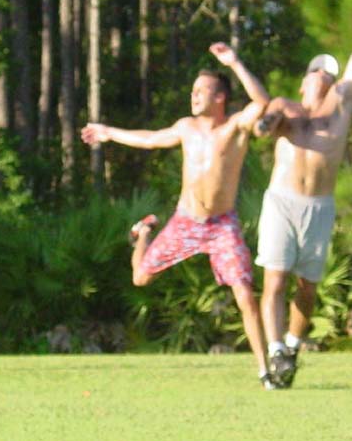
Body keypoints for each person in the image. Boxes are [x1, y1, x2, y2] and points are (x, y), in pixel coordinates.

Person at [81, 42, 276, 388]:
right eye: (193, 91)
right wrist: (109, 133)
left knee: (245, 293)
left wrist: (234, 62)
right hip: (186, 221)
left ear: (220, 97)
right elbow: (151, 139)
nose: (194, 96)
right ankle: (143, 234)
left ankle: (265, 371)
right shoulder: (187, 127)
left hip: (222, 225)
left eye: (202, 91)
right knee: (140, 278)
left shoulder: (235, 127)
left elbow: (262, 102)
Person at [255, 0, 352, 388]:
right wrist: (267, 122)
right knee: (275, 280)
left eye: (328, 72)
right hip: (281, 201)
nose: (322, 73)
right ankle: (275, 351)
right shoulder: (288, 109)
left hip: (319, 207)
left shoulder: (339, 110)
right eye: (315, 70)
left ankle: (292, 346)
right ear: (304, 81)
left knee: (307, 287)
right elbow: (267, 122)